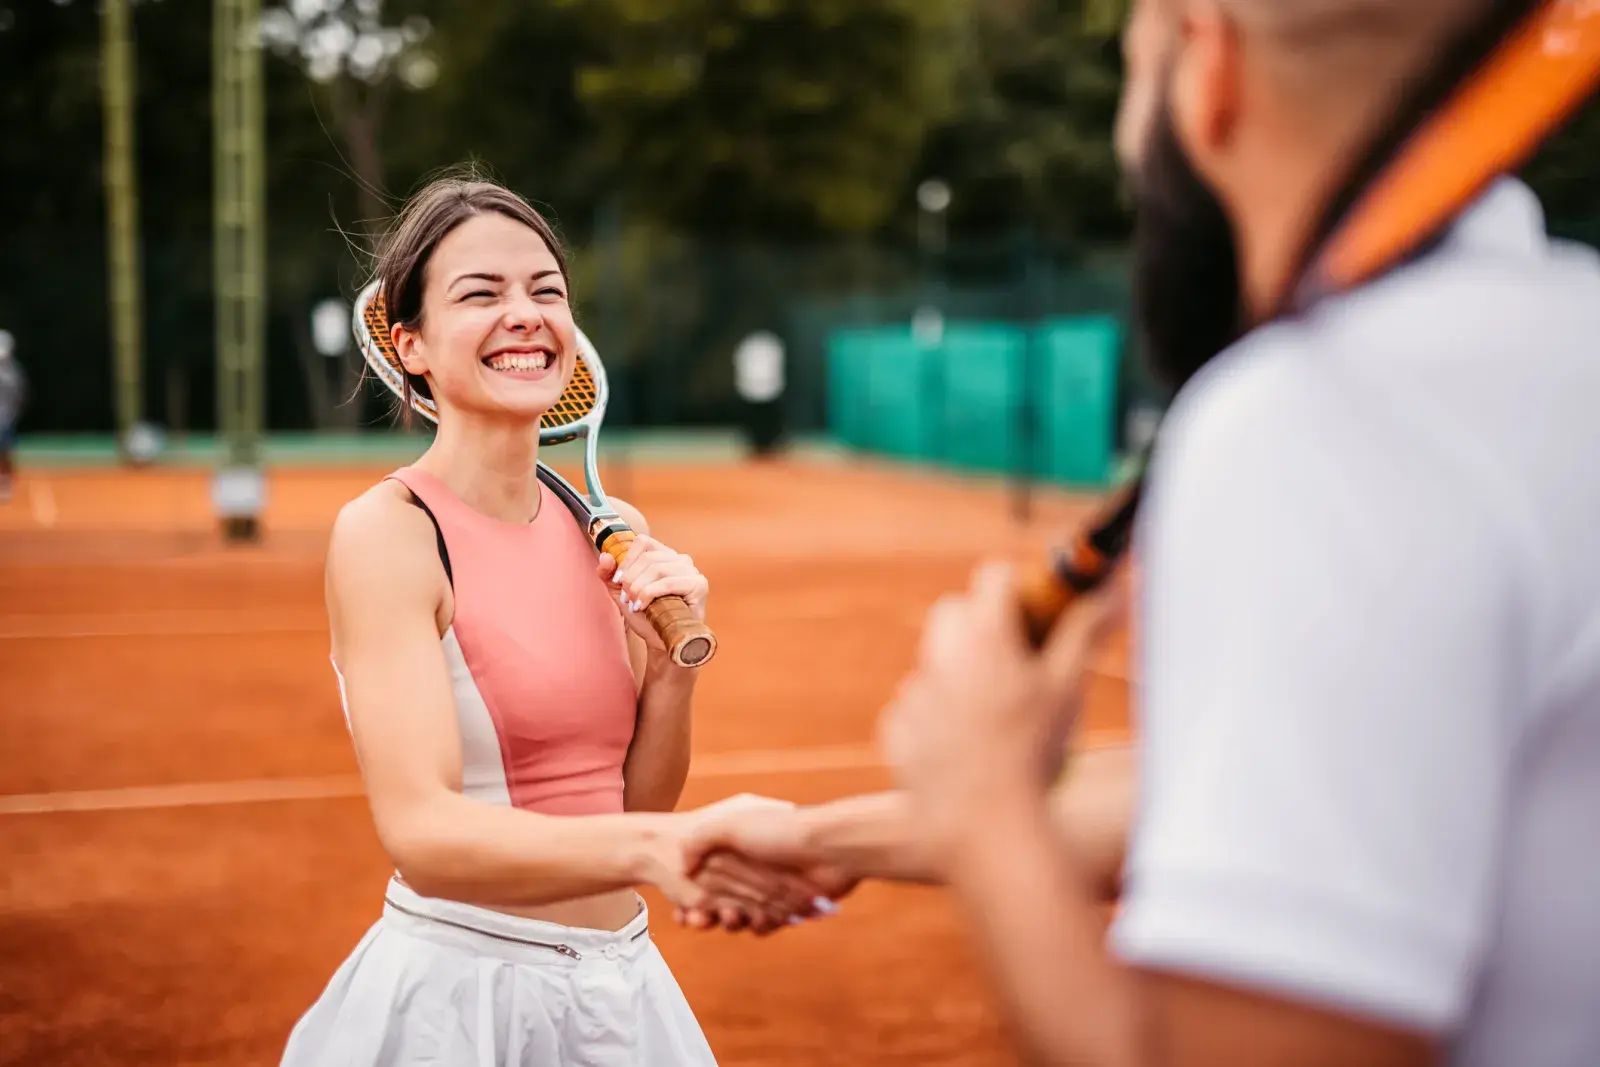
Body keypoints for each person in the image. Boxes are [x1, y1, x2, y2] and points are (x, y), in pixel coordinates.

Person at [683, 1, 1600, 1065]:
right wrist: (827, 836)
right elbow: (1260, 806)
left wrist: (985, 806)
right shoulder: (1562, 339)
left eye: (1130, 76)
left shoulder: (1320, 417)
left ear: (1205, 68)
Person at [280, 174, 834, 1067]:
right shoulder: (388, 531)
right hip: (465, 999)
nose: (525, 313)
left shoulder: (610, 535)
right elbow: (422, 830)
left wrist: (672, 675)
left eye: (547, 291)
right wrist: (664, 845)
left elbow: (633, 805)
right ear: (409, 343)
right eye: (481, 293)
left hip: (622, 985)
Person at [0, 329, 26, 502]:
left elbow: (19, 396)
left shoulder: (14, 374)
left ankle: (7, 480)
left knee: (5, 451)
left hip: (5, 418)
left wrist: (12, 414)